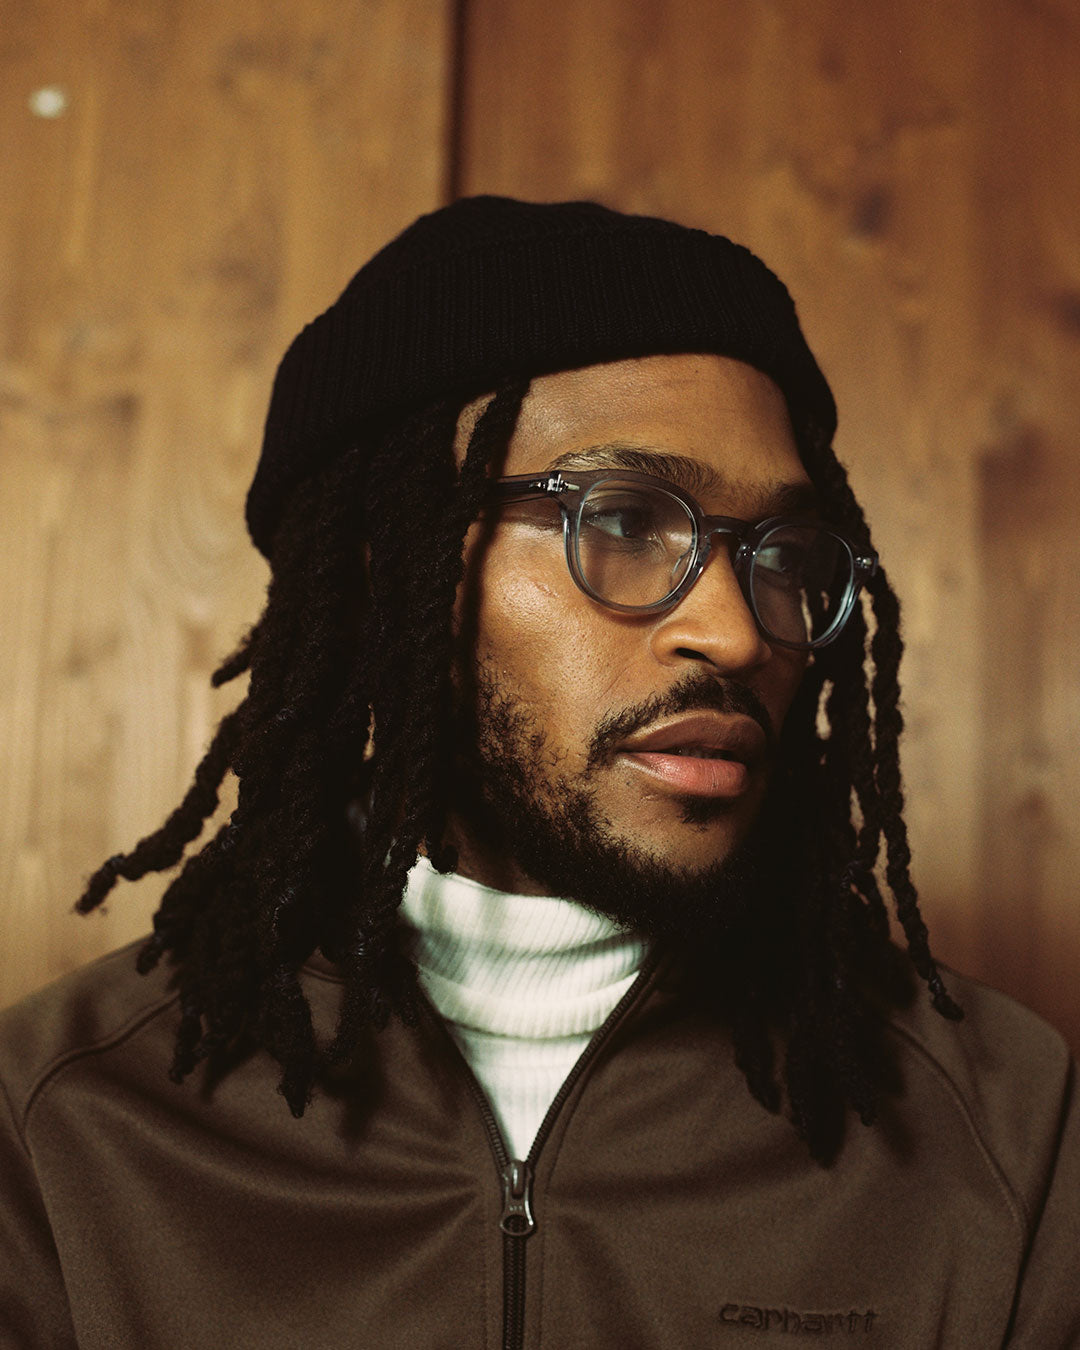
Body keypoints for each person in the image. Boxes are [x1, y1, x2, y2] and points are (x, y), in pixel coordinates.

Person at [1, 197, 1076, 1350]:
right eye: (623, 519)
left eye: (782, 554)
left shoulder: (1006, 1127)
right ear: (383, 575)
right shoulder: (61, 1128)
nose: (734, 634)